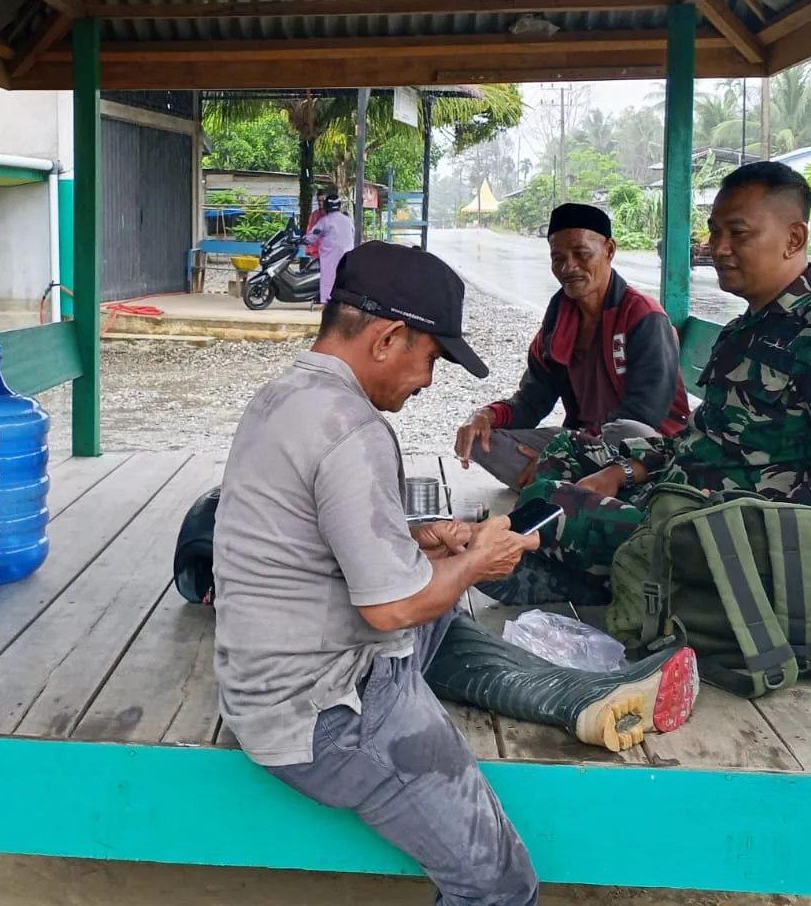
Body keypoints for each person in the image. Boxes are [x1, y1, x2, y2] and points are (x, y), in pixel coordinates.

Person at [213, 242, 696, 906]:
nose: (428, 381)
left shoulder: (285, 395)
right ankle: (575, 698)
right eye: (433, 359)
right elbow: (390, 611)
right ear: (388, 338)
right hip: (325, 715)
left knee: (436, 604)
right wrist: (475, 562)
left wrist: (415, 540)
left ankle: (577, 698)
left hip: (265, 679)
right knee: (500, 885)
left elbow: (304, 538)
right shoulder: (352, 428)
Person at [481, 162, 811, 603]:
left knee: (549, 508)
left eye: (738, 234)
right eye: (715, 232)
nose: (718, 248)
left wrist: (747, 541)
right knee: (565, 454)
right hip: (673, 493)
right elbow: (697, 437)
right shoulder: (743, 332)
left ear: (794, 239)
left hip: (719, 534)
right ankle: (615, 578)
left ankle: (618, 582)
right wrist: (623, 470)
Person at [454, 203, 689, 490]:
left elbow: (644, 412)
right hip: (581, 439)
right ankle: (570, 482)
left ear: (609, 250)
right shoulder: (557, 322)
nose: (568, 267)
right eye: (558, 258)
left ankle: (566, 479)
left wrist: (564, 451)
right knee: (481, 441)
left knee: (626, 429)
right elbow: (532, 400)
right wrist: (486, 415)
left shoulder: (643, 316)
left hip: (645, 448)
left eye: (581, 254)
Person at [305, 192, 355, 305]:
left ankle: (326, 302)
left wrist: (303, 240)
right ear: (339, 206)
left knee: (328, 279)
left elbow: (311, 237)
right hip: (348, 257)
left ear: (327, 206)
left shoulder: (325, 221)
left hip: (330, 258)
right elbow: (353, 233)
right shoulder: (348, 220)